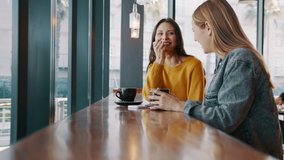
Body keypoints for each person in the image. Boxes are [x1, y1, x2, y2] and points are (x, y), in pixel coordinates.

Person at [148, 0, 282, 159]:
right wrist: (175, 103)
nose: (195, 38)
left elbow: (225, 119)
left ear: (209, 28)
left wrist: (178, 105)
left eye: (194, 30)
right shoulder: (228, 61)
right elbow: (213, 108)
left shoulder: (241, 60)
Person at [142, 18, 205, 102]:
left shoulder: (194, 65)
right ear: (154, 40)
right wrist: (159, 61)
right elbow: (148, 97)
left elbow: (195, 105)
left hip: (183, 115)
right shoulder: (154, 66)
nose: (164, 37)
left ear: (178, 39)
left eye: (170, 33)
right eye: (160, 33)